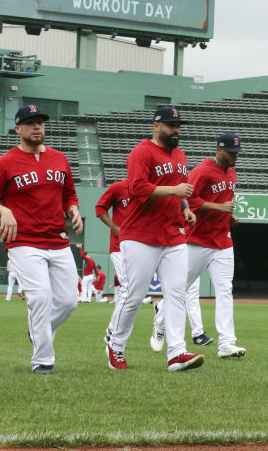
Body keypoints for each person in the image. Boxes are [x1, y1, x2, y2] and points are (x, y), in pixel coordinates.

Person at [0, 104, 82, 374]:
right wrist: (4, 210)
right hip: (23, 241)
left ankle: (39, 330)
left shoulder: (59, 158)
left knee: (70, 300)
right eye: (30, 122)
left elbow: (69, 194)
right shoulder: (6, 162)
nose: (37, 127)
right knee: (40, 298)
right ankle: (43, 361)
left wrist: (73, 210)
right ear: (18, 129)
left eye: (40, 122)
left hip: (58, 240)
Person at [104, 105, 204, 372]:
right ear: (156, 126)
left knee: (176, 294)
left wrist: (186, 209)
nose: (176, 130)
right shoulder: (142, 152)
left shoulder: (180, 155)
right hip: (139, 235)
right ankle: (116, 347)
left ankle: (176, 353)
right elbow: (137, 189)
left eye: (178, 126)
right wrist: (175, 190)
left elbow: (181, 192)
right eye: (171, 125)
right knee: (134, 296)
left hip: (173, 235)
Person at [153, 132, 246, 358]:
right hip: (197, 241)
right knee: (179, 288)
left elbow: (224, 205)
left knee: (225, 290)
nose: (235, 157)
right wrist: (219, 208)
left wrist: (228, 217)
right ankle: (160, 323)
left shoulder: (231, 173)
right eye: (231, 152)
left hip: (222, 241)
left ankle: (226, 342)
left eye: (237, 153)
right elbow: (187, 200)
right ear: (219, 149)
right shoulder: (202, 171)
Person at [96, 178, 130, 342]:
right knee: (127, 288)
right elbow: (100, 208)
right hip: (119, 246)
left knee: (133, 291)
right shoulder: (119, 187)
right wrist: (114, 226)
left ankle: (112, 329)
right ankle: (112, 331)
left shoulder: (149, 189)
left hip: (140, 246)